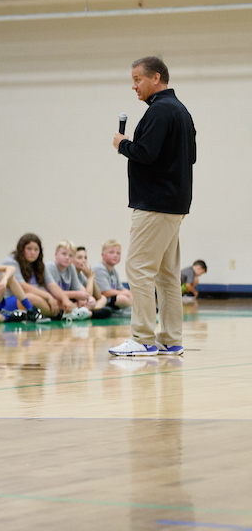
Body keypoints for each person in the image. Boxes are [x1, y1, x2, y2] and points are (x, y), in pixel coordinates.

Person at [109, 56, 196, 357]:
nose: (133, 86)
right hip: (174, 204)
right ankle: (171, 340)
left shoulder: (160, 111)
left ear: (156, 78)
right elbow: (190, 158)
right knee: (167, 276)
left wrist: (122, 144)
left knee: (138, 268)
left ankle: (143, 338)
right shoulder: (181, 111)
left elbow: (145, 153)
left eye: (137, 79)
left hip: (155, 204)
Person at [92, 240, 132, 309]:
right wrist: (124, 293)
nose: (115, 255)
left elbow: (121, 288)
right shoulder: (99, 269)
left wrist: (129, 293)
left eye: (118, 253)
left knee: (130, 295)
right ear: (103, 255)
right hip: (101, 299)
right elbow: (105, 292)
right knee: (122, 298)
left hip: (111, 298)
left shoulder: (114, 271)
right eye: (111, 252)